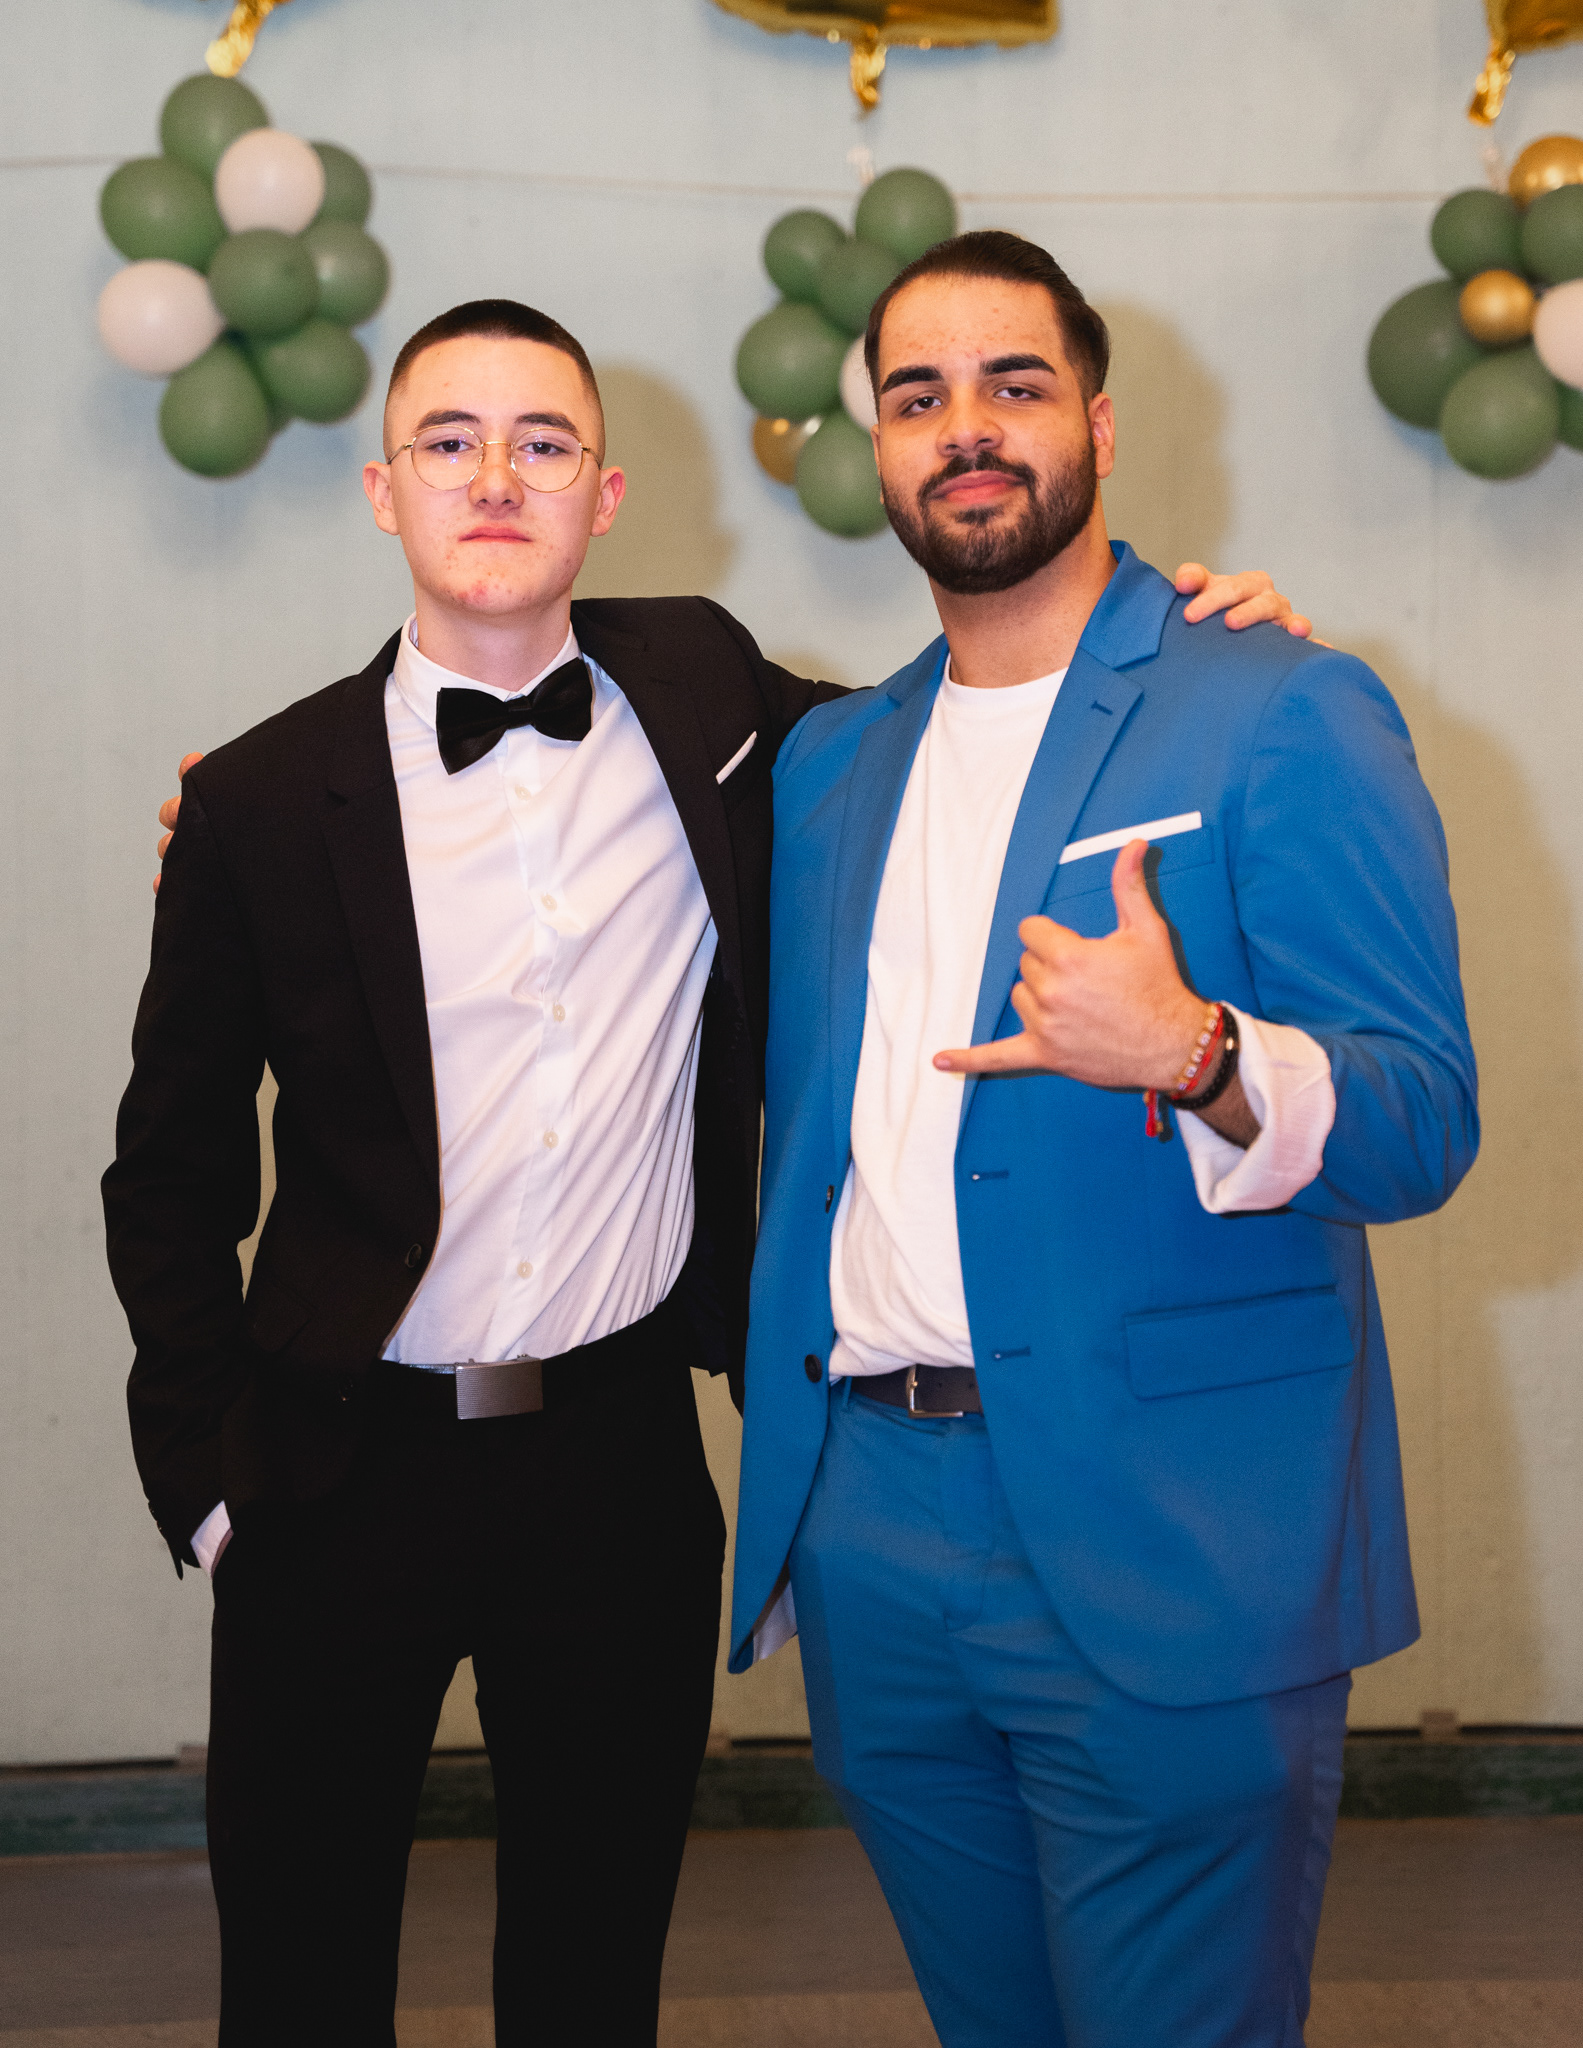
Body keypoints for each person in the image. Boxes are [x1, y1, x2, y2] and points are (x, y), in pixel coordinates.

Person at [108, 293, 1300, 2047]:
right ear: (383, 489)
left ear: (605, 494)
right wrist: (206, 1482)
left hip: (614, 1469)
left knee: (593, 1983)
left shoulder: (719, 704)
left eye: (543, 445)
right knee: (297, 1986)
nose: (495, 479)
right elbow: (170, 1174)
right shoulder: (260, 799)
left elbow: (974, 732)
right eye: (450, 442)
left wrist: (1199, 641)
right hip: (330, 1467)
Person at [729, 232, 1477, 2048]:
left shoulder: (1283, 702)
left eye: (1016, 385)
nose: (967, 429)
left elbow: (1421, 1118)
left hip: (1176, 1534)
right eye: (919, 397)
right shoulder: (831, 767)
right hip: (872, 1531)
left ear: (1103, 425)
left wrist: (1203, 1053)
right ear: (877, 447)